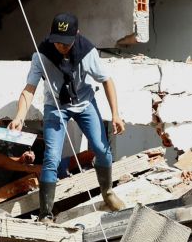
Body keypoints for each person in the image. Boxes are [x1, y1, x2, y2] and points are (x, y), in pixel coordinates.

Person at [8, 11, 126, 222]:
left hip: (84, 103)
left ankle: (107, 192)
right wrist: (19, 117)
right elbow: (29, 89)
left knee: (101, 148)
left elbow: (107, 81)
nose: (61, 46)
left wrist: (116, 114)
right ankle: (46, 213)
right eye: (58, 42)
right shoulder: (41, 54)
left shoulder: (87, 51)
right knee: (51, 157)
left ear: (77, 35)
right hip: (55, 107)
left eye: (66, 42)